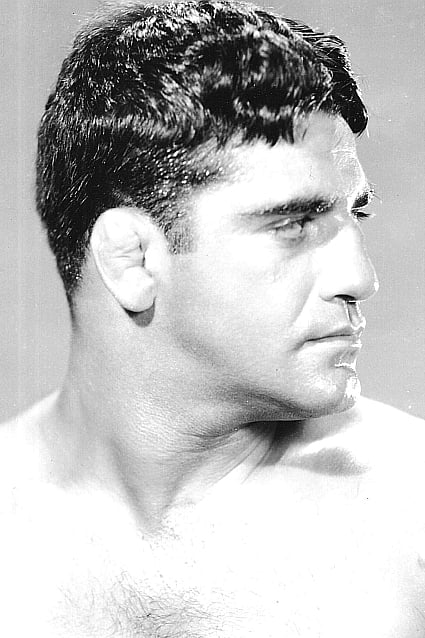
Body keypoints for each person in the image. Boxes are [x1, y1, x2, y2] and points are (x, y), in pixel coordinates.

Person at [1, 0, 424, 636]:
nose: (360, 278)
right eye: (291, 224)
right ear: (133, 259)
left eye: (352, 216)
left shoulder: (411, 516)